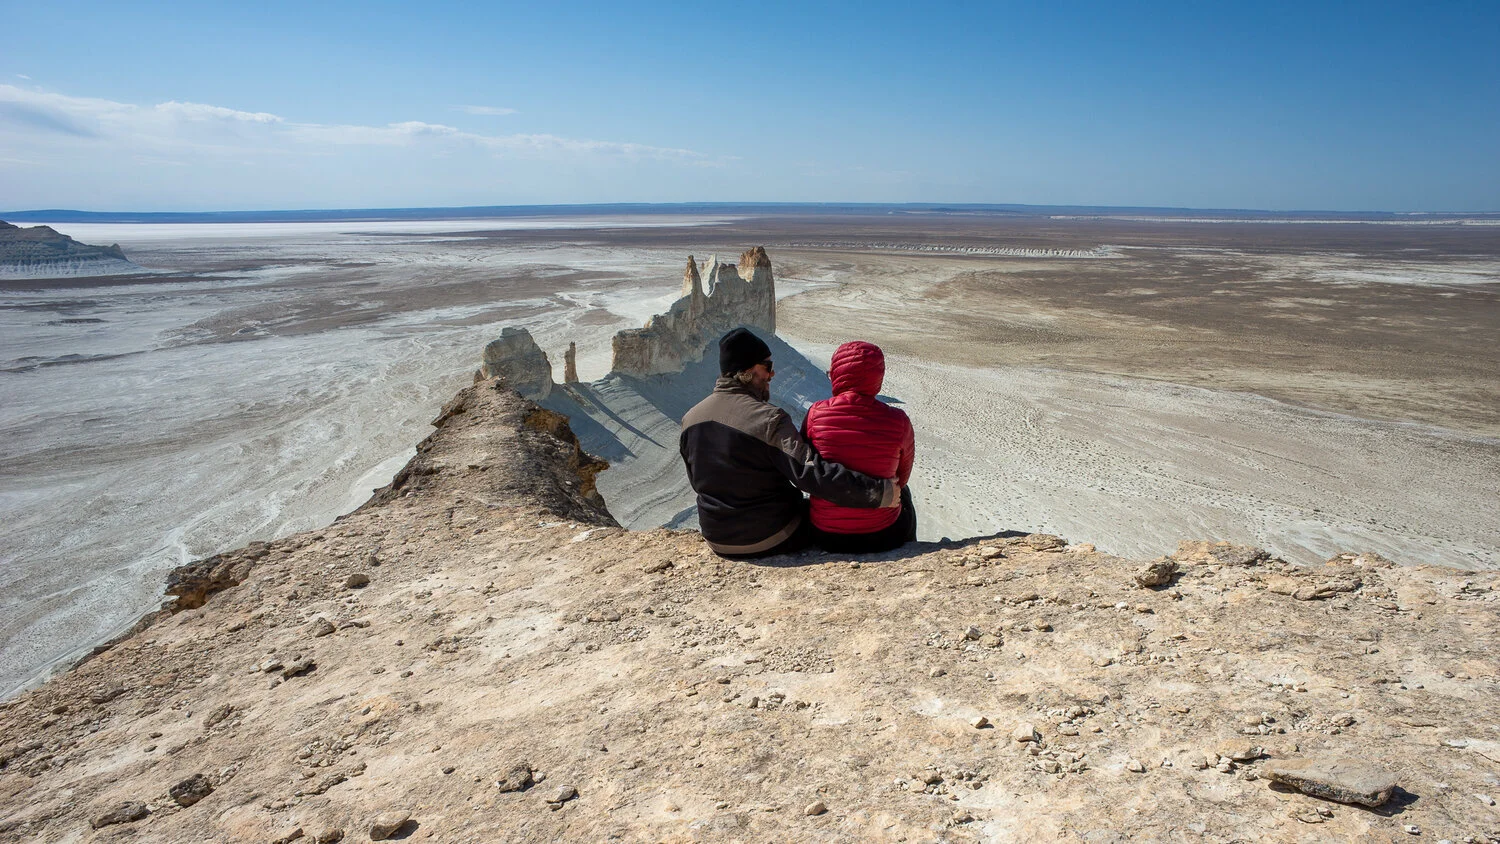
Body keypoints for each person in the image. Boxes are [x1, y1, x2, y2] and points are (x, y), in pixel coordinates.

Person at [679, 328, 901, 558]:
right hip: (769, 536)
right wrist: (878, 492)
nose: (772, 374)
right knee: (821, 516)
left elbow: (699, 482)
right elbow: (811, 474)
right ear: (746, 371)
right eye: (767, 366)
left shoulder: (690, 419)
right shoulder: (768, 419)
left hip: (717, 539)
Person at [802, 340, 917, 553]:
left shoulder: (815, 414)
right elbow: (902, 479)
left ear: (837, 373)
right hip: (883, 535)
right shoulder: (898, 420)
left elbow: (806, 469)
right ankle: (911, 549)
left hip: (825, 534)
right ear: (877, 378)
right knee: (906, 495)